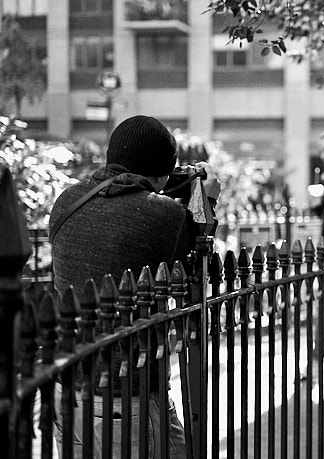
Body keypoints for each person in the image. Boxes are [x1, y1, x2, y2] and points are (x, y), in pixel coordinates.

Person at [49, 115, 218, 458]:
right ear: (162, 170)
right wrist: (207, 199)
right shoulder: (164, 216)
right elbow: (197, 266)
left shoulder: (66, 202)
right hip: (130, 395)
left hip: (67, 385)